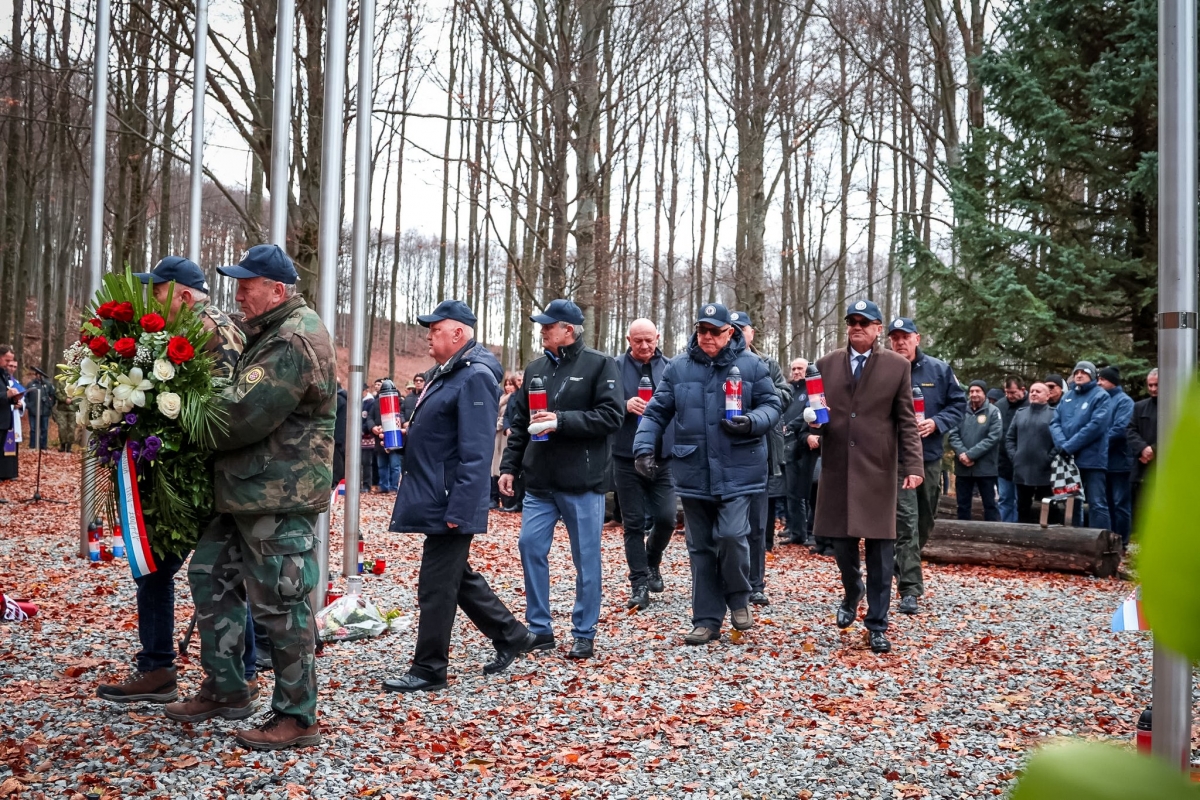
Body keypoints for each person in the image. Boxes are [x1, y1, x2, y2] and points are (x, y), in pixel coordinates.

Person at [166, 244, 336, 751]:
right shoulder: (270, 332)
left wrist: (176, 406)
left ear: (277, 290)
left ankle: (297, 715)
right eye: (237, 286)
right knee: (209, 576)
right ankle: (227, 689)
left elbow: (238, 417)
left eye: (247, 287)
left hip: (277, 496)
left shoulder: (291, 339)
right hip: (247, 491)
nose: (238, 297)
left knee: (281, 605)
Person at [98, 255, 259, 707]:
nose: (151, 299)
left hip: (201, 476)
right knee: (172, 567)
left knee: (206, 571)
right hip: (189, 472)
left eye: (159, 291)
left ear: (185, 296)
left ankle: (191, 669)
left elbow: (221, 410)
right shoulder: (193, 328)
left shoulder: (213, 331)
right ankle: (166, 668)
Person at [382, 301, 537, 693]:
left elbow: (476, 449)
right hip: (439, 492)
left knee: (435, 585)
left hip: (450, 498)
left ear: (458, 334)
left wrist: (462, 508)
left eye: (435, 330)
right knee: (456, 577)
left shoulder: (474, 376)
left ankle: (429, 668)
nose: (428, 336)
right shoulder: (448, 373)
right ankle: (512, 634)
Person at [634, 303, 781, 645]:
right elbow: (656, 413)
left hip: (739, 468)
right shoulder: (678, 369)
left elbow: (772, 406)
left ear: (730, 332)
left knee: (731, 535)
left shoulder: (752, 366)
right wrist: (644, 449)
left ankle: (740, 595)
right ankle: (706, 620)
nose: (708, 337)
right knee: (700, 548)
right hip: (693, 469)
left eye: (715, 331)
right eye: (702, 330)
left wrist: (752, 422)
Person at [499, 299, 623, 660]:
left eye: (547, 325)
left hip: (582, 481)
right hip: (539, 481)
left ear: (568, 329)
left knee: (586, 559)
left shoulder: (601, 364)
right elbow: (519, 423)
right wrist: (509, 467)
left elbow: (612, 416)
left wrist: (561, 420)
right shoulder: (535, 368)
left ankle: (584, 632)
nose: (541, 330)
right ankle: (540, 629)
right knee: (530, 547)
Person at [811, 300, 922, 654]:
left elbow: (907, 420)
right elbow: (813, 411)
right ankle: (851, 589)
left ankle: (877, 624)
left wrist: (913, 466)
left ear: (878, 329)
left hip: (878, 470)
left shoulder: (897, 366)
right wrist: (811, 424)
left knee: (880, 552)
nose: (857, 327)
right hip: (838, 468)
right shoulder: (826, 364)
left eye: (865, 322)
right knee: (842, 547)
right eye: (852, 321)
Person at [884, 317, 965, 616]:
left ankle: (899, 563)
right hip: (897, 460)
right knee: (906, 522)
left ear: (918, 338)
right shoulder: (883, 369)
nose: (900, 342)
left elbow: (959, 405)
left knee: (925, 521)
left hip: (929, 457)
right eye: (894, 338)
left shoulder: (939, 370)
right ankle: (910, 590)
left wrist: (936, 422)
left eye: (905, 337)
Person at [612, 319, 677, 611]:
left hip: (663, 455)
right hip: (626, 455)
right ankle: (639, 584)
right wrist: (624, 405)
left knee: (666, 518)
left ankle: (653, 560)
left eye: (649, 340)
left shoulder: (672, 368)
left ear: (658, 337)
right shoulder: (613, 367)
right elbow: (602, 403)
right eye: (638, 340)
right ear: (628, 339)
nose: (644, 346)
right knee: (633, 523)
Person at [730, 312, 791, 606]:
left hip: (762, 447)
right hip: (727, 451)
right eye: (734, 329)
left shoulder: (767, 364)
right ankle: (729, 580)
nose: (739, 333)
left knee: (758, 523)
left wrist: (760, 405)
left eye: (743, 328)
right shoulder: (720, 361)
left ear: (752, 332)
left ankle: (756, 583)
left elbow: (784, 394)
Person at [1049, 361, 1112, 530]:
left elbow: (1095, 426)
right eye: (1076, 372)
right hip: (1069, 461)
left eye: (1083, 372)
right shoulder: (1067, 396)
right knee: (1072, 502)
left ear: (1092, 376)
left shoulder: (1101, 396)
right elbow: (1054, 422)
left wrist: (1069, 446)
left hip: (1092, 459)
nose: (1079, 375)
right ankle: (1076, 542)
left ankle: (1101, 543)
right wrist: (1063, 446)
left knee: (1097, 502)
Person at [948, 380, 1003, 521]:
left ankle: (992, 533)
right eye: (971, 391)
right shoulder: (960, 411)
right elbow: (953, 434)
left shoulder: (993, 411)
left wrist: (971, 455)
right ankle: (962, 534)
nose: (974, 394)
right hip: (963, 467)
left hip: (985, 468)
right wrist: (962, 454)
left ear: (984, 393)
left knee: (990, 504)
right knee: (963, 505)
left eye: (977, 391)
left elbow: (994, 437)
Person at [1005, 382, 1056, 523]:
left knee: (1048, 508)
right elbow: (1010, 438)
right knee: (1022, 507)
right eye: (1032, 391)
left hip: (1045, 470)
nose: (1033, 393)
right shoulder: (1020, 413)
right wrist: (1014, 457)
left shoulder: (1054, 414)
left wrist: (1048, 458)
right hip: (1022, 468)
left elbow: (1059, 442)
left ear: (1047, 396)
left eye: (1038, 391)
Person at [781, 358, 819, 546]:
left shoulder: (811, 390)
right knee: (791, 492)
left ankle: (810, 532)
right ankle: (796, 531)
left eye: (800, 368)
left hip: (805, 446)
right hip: (787, 446)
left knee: (808, 492)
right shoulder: (790, 391)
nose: (796, 371)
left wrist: (789, 426)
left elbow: (806, 415)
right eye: (793, 368)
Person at [1098, 366, 1134, 546]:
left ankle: (1122, 541)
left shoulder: (1124, 402)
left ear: (1112, 381)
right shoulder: (1101, 400)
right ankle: (1109, 540)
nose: (1099, 382)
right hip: (1103, 460)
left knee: (1120, 503)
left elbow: (1120, 428)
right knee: (1107, 503)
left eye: (1103, 379)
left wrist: (1099, 443)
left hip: (1119, 460)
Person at [993, 377, 1028, 522]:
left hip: (1024, 461)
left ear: (1022, 390)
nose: (1009, 396)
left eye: (1013, 392)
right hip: (1003, 461)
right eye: (1007, 392)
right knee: (1005, 499)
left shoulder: (1030, 405)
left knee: (1022, 501)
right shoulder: (1000, 405)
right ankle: (1005, 528)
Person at [1127, 369, 1158, 523]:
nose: (1153, 389)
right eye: (1150, 385)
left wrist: (1154, 449)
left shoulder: (1175, 406)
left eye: (1156, 385)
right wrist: (1143, 448)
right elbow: (1130, 430)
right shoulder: (1140, 407)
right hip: (1143, 466)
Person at [369, 379, 402, 494]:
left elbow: (402, 415)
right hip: (380, 438)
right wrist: (373, 427)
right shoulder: (376, 402)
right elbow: (369, 418)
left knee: (395, 465)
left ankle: (394, 487)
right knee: (381, 465)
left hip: (394, 436)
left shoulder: (398, 400)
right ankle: (383, 486)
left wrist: (400, 425)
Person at [491, 374, 518, 510]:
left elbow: (507, 416)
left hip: (507, 433)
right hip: (499, 434)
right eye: (506, 384)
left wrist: (500, 426)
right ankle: (495, 497)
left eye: (511, 384)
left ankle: (508, 499)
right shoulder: (502, 398)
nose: (508, 387)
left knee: (505, 462)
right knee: (495, 465)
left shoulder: (515, 398)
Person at [0, 346, 23, 481]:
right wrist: (5, 394)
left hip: (3, 422)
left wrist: (13, 401)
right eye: (7, 360)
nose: (9, 364)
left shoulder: (3, 374)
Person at [24, 369, 55, 451]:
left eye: (41, 375)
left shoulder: (48, 385)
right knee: (33, 429)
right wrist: (29, 405)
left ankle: (43, 446)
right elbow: (25, 396)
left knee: (44, 429)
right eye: (38, 374)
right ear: (35, 375)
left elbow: (53, 397)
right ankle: (32, 446)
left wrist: (49, 404)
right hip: (33, 411)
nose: (39, 376)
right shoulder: (30, 384)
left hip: (44, 411)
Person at [332, 380, 348, 489]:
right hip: (343, 433)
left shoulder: (338, 399)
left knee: (337, 460)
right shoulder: (344, 398)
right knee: (340, 458)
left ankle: (337, 482)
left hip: (337, 433)